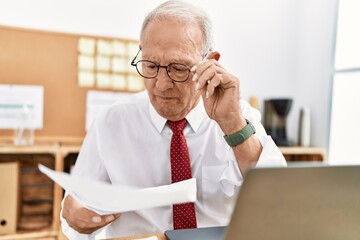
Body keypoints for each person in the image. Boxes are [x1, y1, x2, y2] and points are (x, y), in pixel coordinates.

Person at [61, 0, 287, 239]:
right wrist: (76, 217)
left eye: (178, 68)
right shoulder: (111, 121)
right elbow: (74, 209)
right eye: (150, 65)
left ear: (210, 62)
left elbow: (279, 201)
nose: (161, 84)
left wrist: (233, 125)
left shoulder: (238, 116)